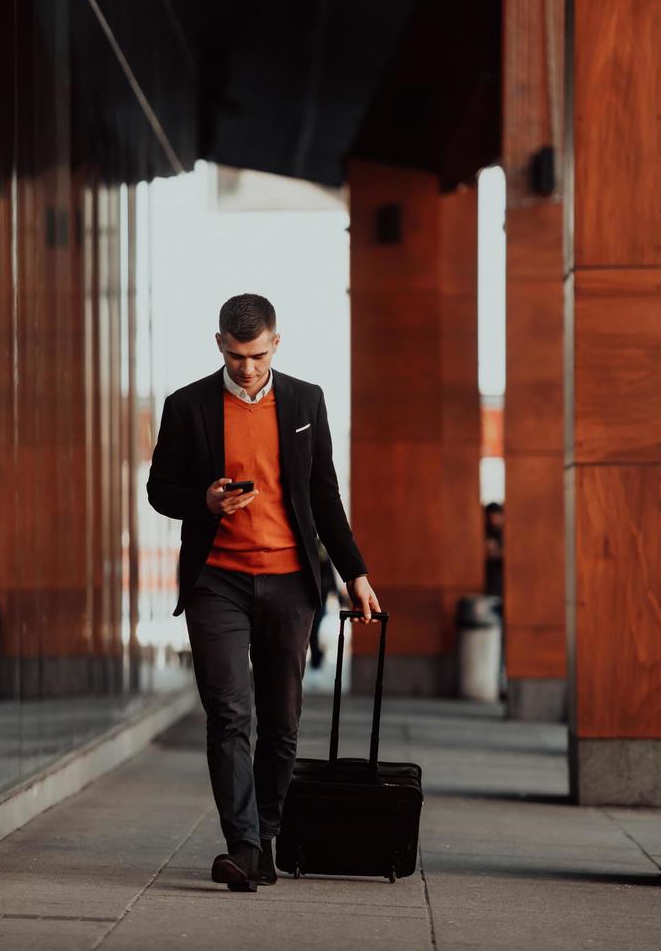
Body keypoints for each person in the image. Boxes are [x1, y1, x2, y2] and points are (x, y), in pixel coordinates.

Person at [147, 293, 381, 893]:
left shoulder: (306, 401)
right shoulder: (188, 405)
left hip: (289, 582)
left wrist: (354, 573)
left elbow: (323, 495)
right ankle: (244, 846)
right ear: (218, 344)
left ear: (276, 343)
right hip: (215, 581)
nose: (246, 367)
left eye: (255, 354)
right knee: (229, 712)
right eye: (234, 354)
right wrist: (203, 499)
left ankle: (266, 836)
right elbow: (158, 489)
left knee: (281, 719)